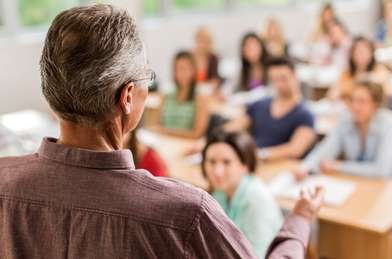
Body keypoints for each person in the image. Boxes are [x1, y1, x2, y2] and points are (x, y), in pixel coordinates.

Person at [0, 4, 325, 258]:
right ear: (127, 97)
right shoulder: (187, 215)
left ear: (50, 96)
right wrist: (298, 222)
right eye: (147, 78)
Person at [295, 80, 392, 180]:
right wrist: (306, 167)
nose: (355, 106)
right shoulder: (346, 120)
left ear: (375, 105)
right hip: (361, 182)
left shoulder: (389, 126)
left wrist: (339, 166)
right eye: (353, 100)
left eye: (362, 101)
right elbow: (326, 149)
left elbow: (381, 171)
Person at [202, 130, 284, 258]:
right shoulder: (219, 192)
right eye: (212, 162)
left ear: (245, 165)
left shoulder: (257, 199)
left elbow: (257, 256)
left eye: (227, 162)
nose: (217, 172)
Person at [225, 58, 316, 161]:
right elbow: (233, 127)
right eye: (275, 80)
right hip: (253, 161)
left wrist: (261, 154)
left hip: (279, 164)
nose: (279, 84)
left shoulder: (305, 114)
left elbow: (296, 149)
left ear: (295, 77)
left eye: (283, 79)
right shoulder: (260, 105)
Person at [152, 50, 209, 139]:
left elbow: (197, 134)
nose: (179, 73)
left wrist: (167, 132)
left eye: (183, 69)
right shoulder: (166, 96)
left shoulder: (200, 98)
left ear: (193, 71)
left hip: (188, 147)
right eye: (176, 69)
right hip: (166, 143)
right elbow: (157, 125)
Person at [328, 36, 389, 101]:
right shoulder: (347, 73)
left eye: (364, 52)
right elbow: (333, 94)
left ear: (371, 53)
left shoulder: (379, 70)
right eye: (357, 52)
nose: (361, 55)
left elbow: (384, 83)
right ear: (352, 54)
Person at [193, 26, 221, 91]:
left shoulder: (213, 58)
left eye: (204, 40)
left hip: (207, 91)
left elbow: (215, 81)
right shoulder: (190, 57)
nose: (201, 44)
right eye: (199, 40)